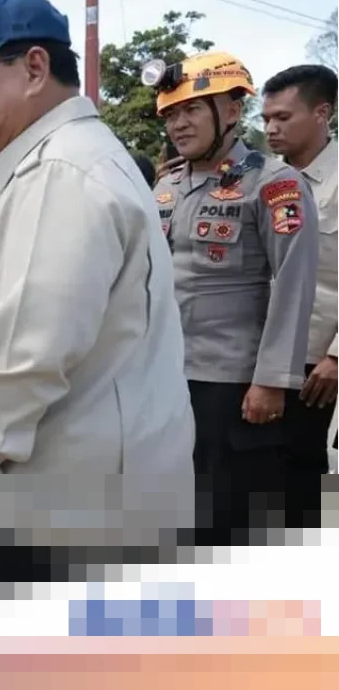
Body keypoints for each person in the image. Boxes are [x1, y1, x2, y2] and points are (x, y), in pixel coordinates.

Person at [0, 0, 194, 475]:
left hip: (60, 497)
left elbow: (25, 367)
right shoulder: (81, 158)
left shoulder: (59, 172)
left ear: (35, 68)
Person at [148, 50, 319, 487]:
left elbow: (294, 285)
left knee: (227, 513)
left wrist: (271, 380)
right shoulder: (164, 187)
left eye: (190, 110)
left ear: (231, 110)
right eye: (170, 114)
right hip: (164, 373)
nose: (178, 124)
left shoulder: (273, 183)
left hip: (232, 383)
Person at [262, 64, 337, 473]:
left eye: (283, 117)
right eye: (267, 118)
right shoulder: (262, 179)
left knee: (303, 467)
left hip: (316, 359)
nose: (271, 128)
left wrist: (337, 358)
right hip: (263, 351)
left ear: (322, 113)